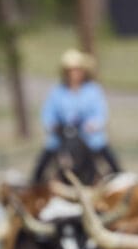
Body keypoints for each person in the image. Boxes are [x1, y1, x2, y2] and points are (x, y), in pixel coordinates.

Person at [34, 48, 119, 181]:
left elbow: (101, 113)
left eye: (77, 70)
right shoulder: (57, 91)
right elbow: (48, 113)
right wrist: (52, 125)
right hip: (62, 135)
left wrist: (93, 124)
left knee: (114, 166)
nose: (74, 74)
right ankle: (36, 186)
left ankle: (116, 181)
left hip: (88, 136)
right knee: (40, 167)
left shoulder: (93, 90)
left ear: (83, 72)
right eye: (71, 70)